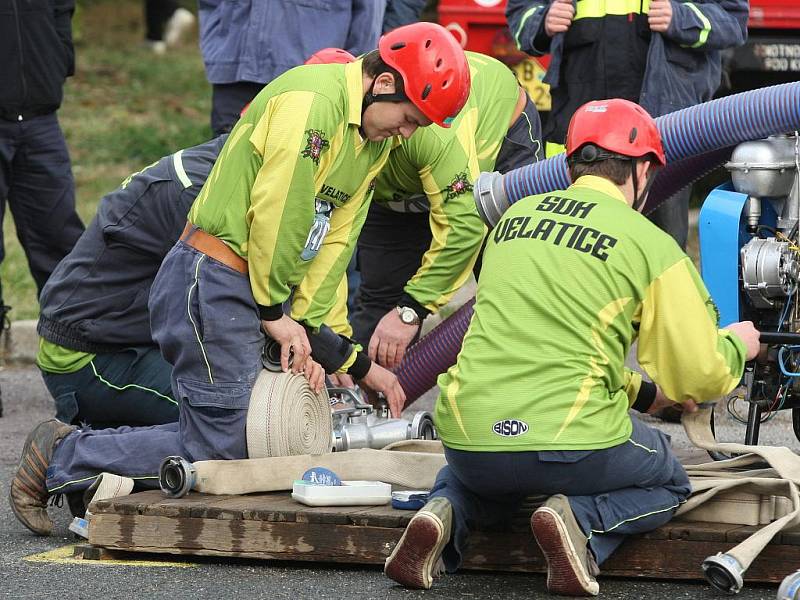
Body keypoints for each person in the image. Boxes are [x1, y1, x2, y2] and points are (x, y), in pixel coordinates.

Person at [9, 22, 471, 537]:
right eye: (408, 119)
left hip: (248, 289)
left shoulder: (369, 141)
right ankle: (62, 456)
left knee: (261, 434)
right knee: (231, 442)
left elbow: (335, 241)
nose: (407, 134)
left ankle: (84, 458)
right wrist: (276, 314)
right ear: (383, 84)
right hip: (212, 276)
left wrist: (315, 340)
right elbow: (282, 209)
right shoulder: (310, 101)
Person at [383, 99, 760, 596]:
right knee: (666, 475)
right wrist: (736, 347)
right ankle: (579, 521)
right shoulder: (648, 243)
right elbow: (695, 375)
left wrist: (645, 396)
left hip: (471, 443)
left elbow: (549, 341)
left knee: (489, 477)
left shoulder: (512, 220)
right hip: (571, 442)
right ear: (643, 170)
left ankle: (446, 510)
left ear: (568, 165)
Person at [346, 51, 544, 368]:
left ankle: (515, 389)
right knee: (380, 297)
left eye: (412, 122)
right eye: (407, 121)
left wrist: (411, 309)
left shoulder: (426, 132)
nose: (407, 129)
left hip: (495, 140)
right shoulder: (333, 129)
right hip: (403, 177)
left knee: (507, 277)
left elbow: (464, 225)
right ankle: (362, 399)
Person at [505, 0, 748, 250]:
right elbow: (520, 12)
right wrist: (543, 21)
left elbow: (732, 20)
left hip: (663, 126)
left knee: (659, 248)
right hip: (578, 122)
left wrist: (682, 18)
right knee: (570, 244)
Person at [36, 135, 228, 429]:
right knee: (229, 417)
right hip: (89, 354)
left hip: (133, 339)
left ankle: (110, 437)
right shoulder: (197, 194)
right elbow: (222, 309)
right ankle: (65, 452)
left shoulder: (225, 168)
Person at [198, 0, 429, 136]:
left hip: (313, 78)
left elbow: (368, 16)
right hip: (234, 68)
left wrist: (357, 73)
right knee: (223, 177)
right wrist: (216, 39)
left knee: (296, 186)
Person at [0, 0, 85, 318]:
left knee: (60, 238)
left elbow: (62, 9)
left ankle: (72, 343)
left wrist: (59, 60)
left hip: (40, 120)